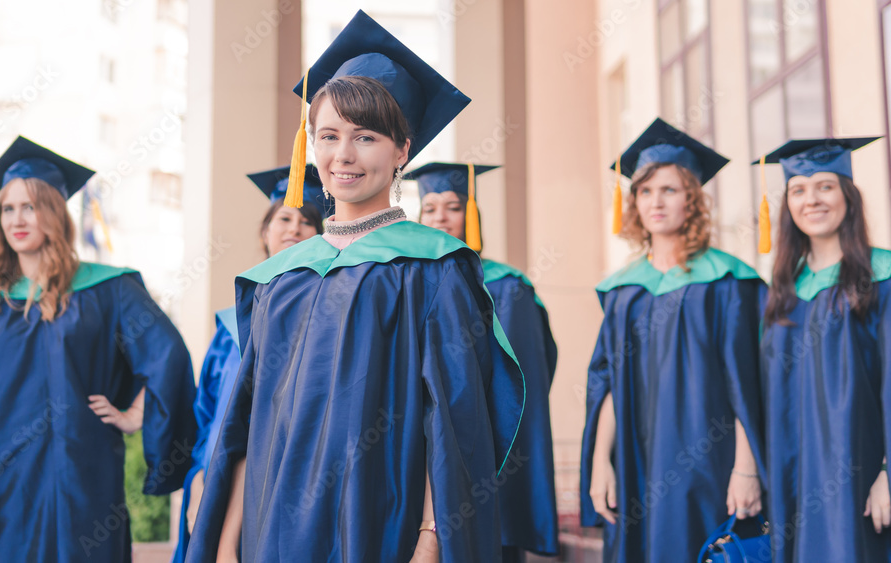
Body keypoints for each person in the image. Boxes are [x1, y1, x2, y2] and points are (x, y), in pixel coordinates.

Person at [186, 11, 525, 563]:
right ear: (311, 146)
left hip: (382, 524)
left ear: (401, 151)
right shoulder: (279, 279)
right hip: (275, 530)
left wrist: (431, 538)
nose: (343, 154)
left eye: (365, 136)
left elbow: (453, 417)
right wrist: (226, 547)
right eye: (329, 135)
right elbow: (247, 427)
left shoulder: (433, 268)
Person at [0, 136, 197, 563]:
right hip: (6, 491)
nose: (17, 219)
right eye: (8, 208)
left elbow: (168, 356)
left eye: (30, 207)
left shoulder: (109, 288)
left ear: (53, 212)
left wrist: (134, 416)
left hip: (86, 482)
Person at [579, 118, 765, 562]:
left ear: (693, 201)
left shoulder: (729, 283)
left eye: (670, 190)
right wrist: (601, 461)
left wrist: (747, 467)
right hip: (635, 460)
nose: (655, 202)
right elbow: (608, 383)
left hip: (710, 463)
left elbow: (748, 384)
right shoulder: (624, 290)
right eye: (645, 191)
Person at [171, 164, 326, 563]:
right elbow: (208, 413)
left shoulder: (327, 315)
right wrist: (202, 476)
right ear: (265, 232)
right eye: (284, 218)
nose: (294, 228)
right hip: (218, 476)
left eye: (307, 221)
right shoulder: (230, 323)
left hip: (283, 480)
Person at [412, 162, 559, 562]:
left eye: (453, 206)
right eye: (430, 207)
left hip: (484, 453)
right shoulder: (406, 281)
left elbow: (522, 389)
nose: (440, 216)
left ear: (472, 214)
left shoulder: (506, 288)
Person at [758, 136, 891, 562]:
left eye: (825, 186)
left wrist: (887, 471)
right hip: (795, 477)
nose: (811, 200)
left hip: (861, 470)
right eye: (798, 190)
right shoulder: (782, 292)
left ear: (848, 196)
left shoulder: (882, 276)